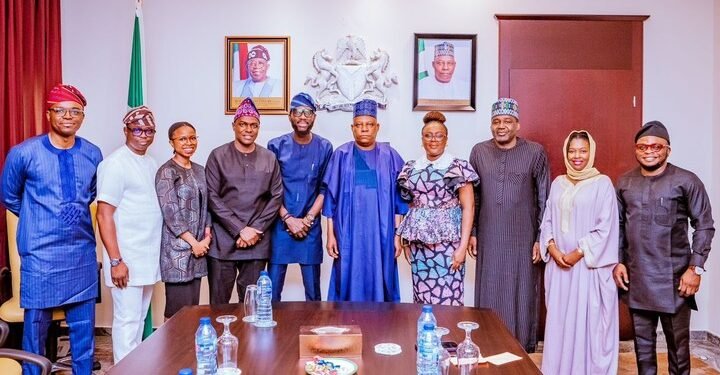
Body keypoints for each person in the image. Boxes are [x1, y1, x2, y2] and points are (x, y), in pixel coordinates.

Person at [0, 84, 102, 375]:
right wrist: (40, 218)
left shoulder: (93, 153)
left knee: (84, 330)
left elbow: (92, 192)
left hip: (81, 253)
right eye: (60, 110)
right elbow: (9, 195)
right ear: (48, 114)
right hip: (40, 254)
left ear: (82, 117)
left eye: (75, 111)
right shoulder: (23, 153)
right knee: (35, 331)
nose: (68, 116)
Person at [614, 121, 714, 375]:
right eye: (643, 146)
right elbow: (617, 225)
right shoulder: (625, 182)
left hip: (676, 280)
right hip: (637, 279)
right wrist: (618, 262)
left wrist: (695, 269)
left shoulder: (686, 180)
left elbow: (704, 225)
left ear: (668, 150)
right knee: (643, 348)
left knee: (678, 349)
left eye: (656, 146)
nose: (649, 150)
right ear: (636, 149)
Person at [468, 98, 549, 352]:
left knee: (522, 287)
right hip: (489, 234)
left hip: (523, 235)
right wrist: (472, 233)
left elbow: (544, 196)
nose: (501, 126)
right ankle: (487, 341)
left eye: (507, 121)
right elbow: (474, 197)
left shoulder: (535, 152)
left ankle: (520, 345)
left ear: (517, 125)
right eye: (496, 122)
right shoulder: (479, 152)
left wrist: (541, 237)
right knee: (489, 286)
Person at [539, 130, 619, 374]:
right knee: (561, 323)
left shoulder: (602, 184)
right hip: (559, 268)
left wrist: (577, 253)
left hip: (586, 269)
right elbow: (548, 220)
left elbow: (606, 227)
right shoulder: (558, 183)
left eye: (583, 150)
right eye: (572, 150)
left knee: (589, 325)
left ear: (591, 152)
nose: (577, 156)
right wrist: (552, 249)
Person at [322, 99, 407, 302]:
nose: (364, 129)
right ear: (352, 128)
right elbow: (330, 199)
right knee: (348, 275)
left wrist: (397, 236)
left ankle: (382, 327)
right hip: (348, 232)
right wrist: (330, 235)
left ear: (377, 127)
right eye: (359, 125)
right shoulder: (341, 155)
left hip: (382, 233)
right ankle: (346, 324)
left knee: (382, 275)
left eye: (369, 125)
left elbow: (399, 201)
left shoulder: (390, 156)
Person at [96, 106, 162, 363]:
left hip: (146, 257)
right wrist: (116, 261)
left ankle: (134, 368)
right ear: (126, 131)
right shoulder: (114, 164)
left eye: (149, 130)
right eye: (137, 129)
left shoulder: (150, 162)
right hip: (126, 259)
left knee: (138, 320)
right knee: (126, 323)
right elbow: (104, 215)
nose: (144, 135)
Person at [205, 97, 283, 304]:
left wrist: (255, 229)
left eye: (253, 125)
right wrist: (240, 229)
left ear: (258, 127)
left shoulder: (269, 158)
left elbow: (276, 196)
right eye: (243, 124)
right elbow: (212, 196)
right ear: (234, 126)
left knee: (253, 306)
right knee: (218, 306)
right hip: (223, 242)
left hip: (257, 242)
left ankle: (250, 338)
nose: (248, 129)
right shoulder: (218, 156)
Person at [395, 111, 477, 306]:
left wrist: (462, 247)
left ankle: (449, 337)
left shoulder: (457, 167)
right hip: (418, 246)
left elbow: (469, 208)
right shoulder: (411, 168)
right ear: (422, 139)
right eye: (428, 135)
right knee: (422, 299)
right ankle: (425, 337)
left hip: (448, 245)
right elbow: (409, 207)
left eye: (439, 135)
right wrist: (405, 241)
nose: (433, 140)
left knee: (449, 297)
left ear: (446, 139)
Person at [267, 93, 333, 301]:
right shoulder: (276, 146)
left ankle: (314, 331)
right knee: (272, 290)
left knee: (313, 291)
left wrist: (308, 219)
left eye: (308, 113)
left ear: (314, 117)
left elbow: (325, 188)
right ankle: (270, 332)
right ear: (290, 116)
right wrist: (288, 218)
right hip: (280, 225)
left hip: (309, 226)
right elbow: (270, 188)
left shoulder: (324, 147)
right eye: (298, 112)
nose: (303, 117)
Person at [155, 121, 211, 319]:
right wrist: (193, 243)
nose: (189, 142)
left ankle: (189, 350)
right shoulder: (166, 172)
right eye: (183, 138)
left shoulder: (200, 170)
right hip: (177, 252)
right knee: (177, 313)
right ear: (172, 142)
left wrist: (206, 237)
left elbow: (208, 206)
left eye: (193, 137)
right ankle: (173, 350)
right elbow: (170, 212)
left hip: (199, 249)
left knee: (193, 310)